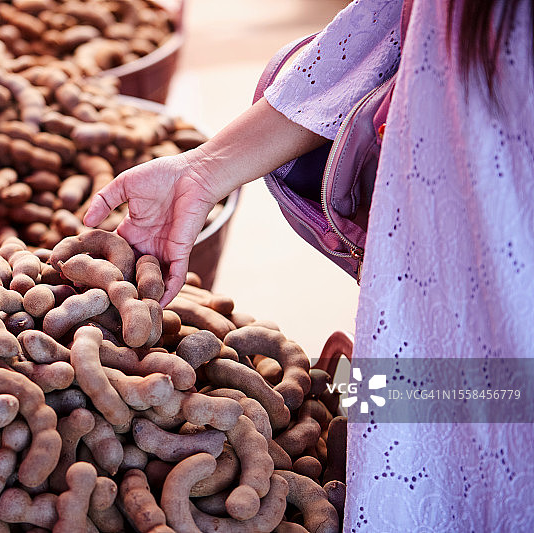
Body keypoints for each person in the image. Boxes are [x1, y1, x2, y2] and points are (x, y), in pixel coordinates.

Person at [83, 0, 534, 530]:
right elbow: (391, 30)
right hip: (447, 250)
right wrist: (202, 171)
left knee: (495, 425)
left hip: (510, 265)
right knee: (421, 416)